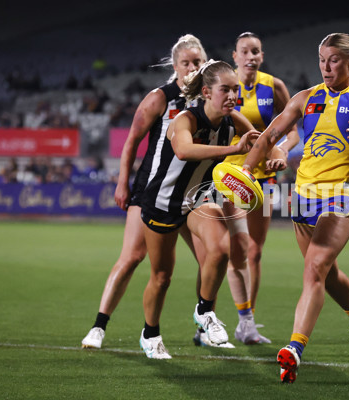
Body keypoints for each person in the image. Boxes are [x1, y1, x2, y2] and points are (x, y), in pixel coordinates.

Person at [242, 33, 349, 383]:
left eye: (333, 59)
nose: (325, 66)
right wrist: (245, 170)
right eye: (321, 59)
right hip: (303, 195)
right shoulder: (306, 98)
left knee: (315, 267)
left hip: (343, 193)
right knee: (326, 275)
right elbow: (270, 136)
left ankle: (294, 349)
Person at [81, 34, 208, 350]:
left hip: (190, 197)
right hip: (152, 192)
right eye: (186, 63)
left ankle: (204, 324)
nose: (193, 67)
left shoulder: (211, 101)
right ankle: (99, 326)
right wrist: (123, 182)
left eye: (198, 61)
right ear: (175, 65)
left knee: (212, 258)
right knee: (132, 257)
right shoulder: (160, 98)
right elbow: (131, 141)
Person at [138, 59, 262, 358]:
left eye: (236, 90)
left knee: (221, 249)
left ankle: (205, 312)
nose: (232, 96)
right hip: (163, 200)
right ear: (206, 92)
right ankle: (150, 334)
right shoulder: (185, 120)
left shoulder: (233, 120)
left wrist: (274, 156)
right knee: (162, 276)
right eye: (225, 90)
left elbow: (262, 140)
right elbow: (184, 150)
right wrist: (234, 149)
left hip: (197, 198)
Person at [220, 32, 300, 345]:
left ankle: (247, 323)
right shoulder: (224, 86)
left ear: (261, 56)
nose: (251, 56)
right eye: (245, 51)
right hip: (229, 177)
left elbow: (293, 131)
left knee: (254, 250)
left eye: (256, 51)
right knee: (228, 249)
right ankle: (208, 314)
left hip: (264, 181)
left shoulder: (274, 86)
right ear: (235, 56)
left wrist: (281, 150)